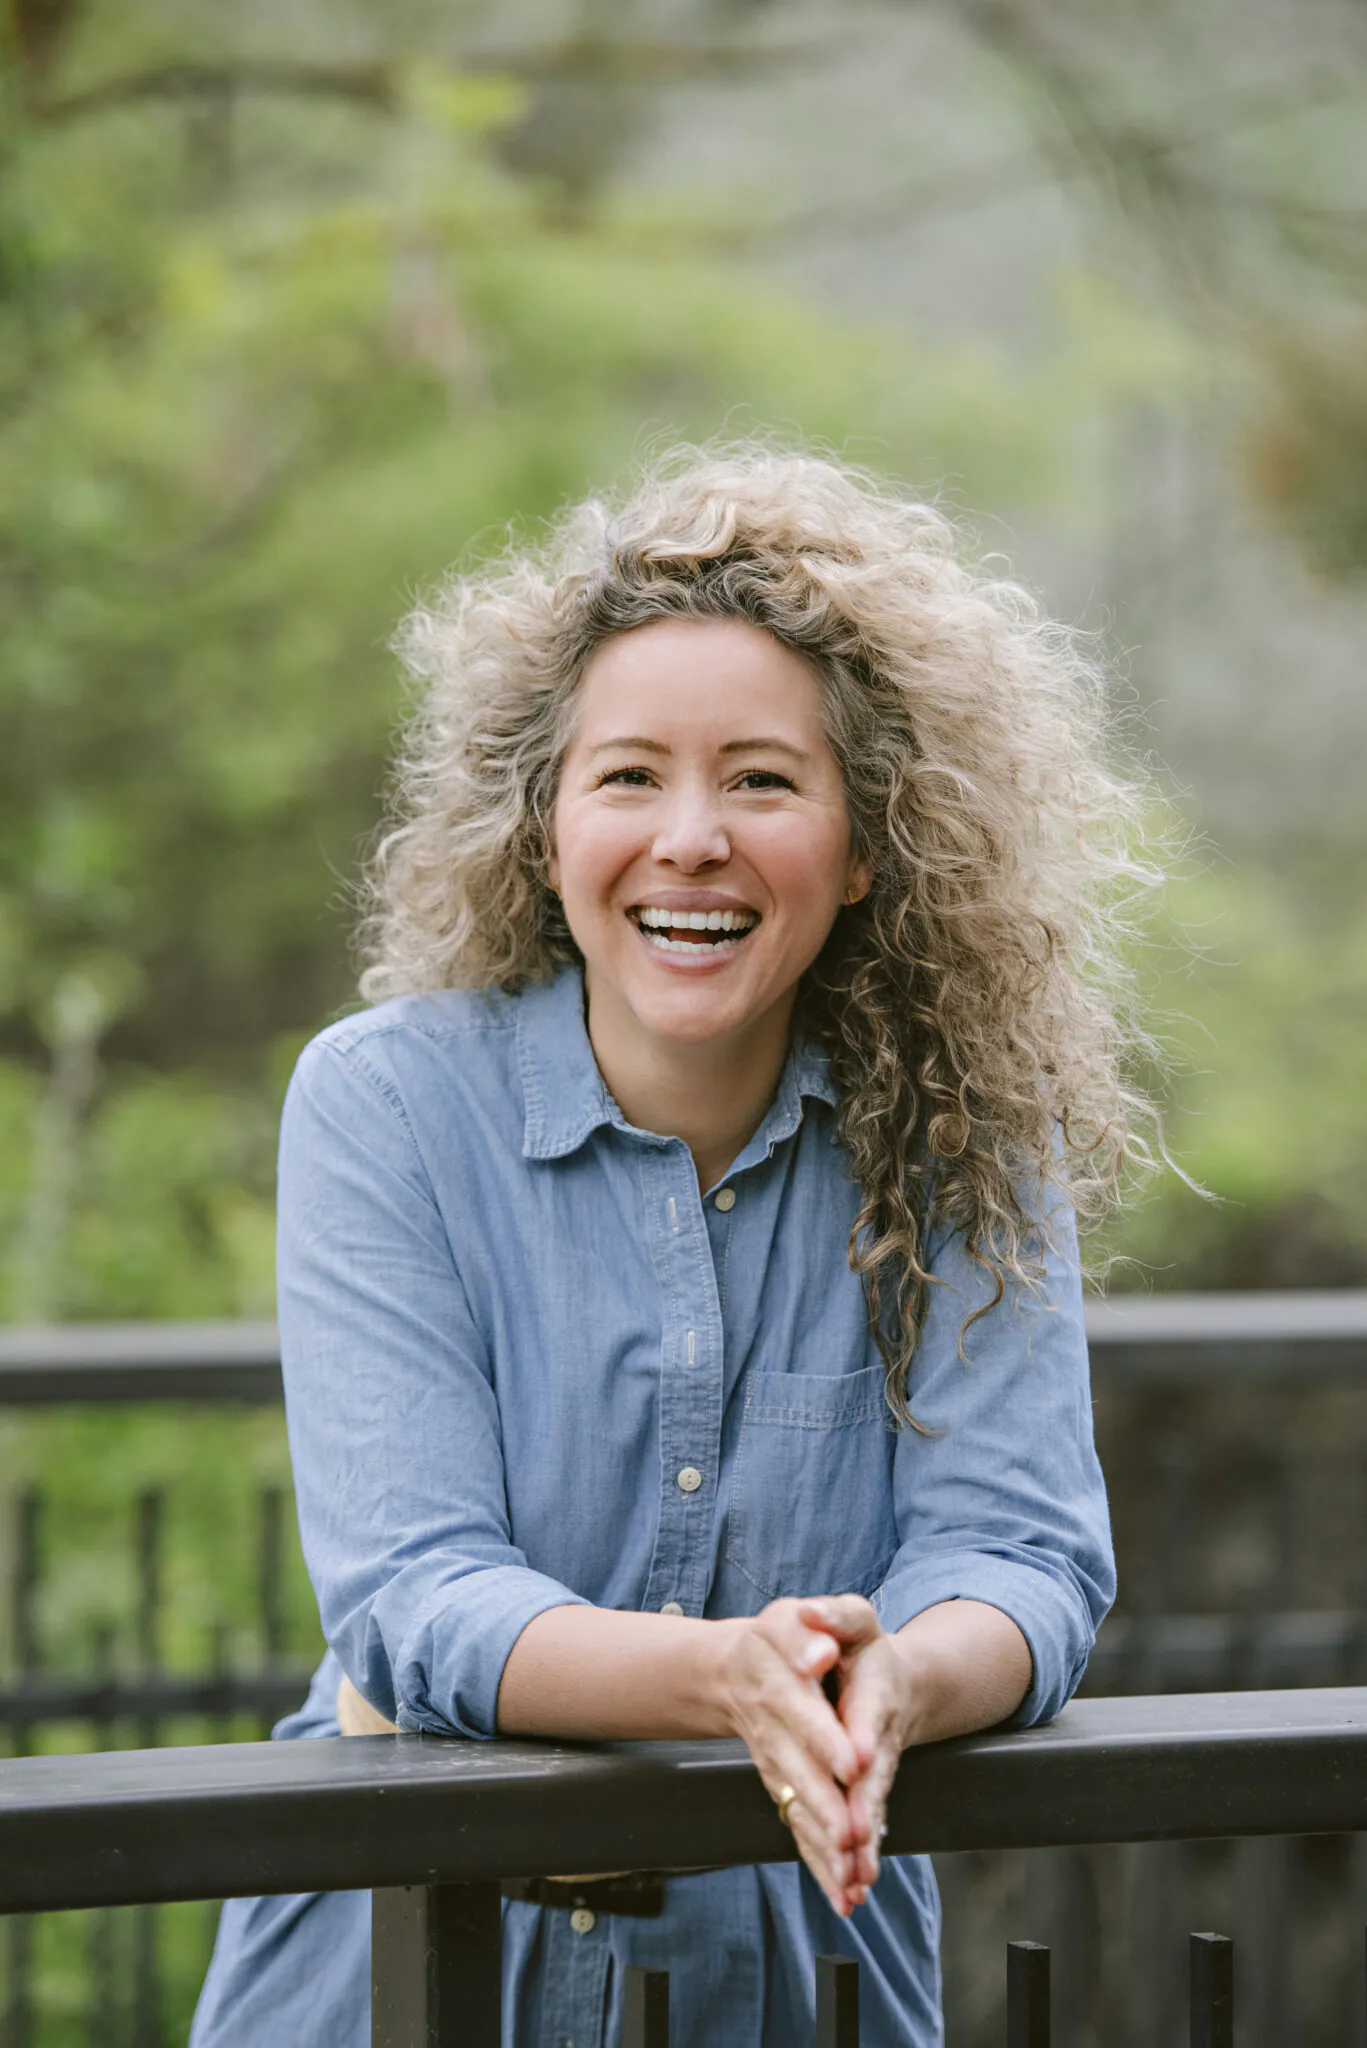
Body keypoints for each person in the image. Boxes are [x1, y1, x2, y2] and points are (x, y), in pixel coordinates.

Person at [190, 439, 1154, 2047]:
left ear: (866, 848)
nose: (689, 837)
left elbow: (1022, 1554)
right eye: (627, 775)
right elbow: (416, 1600)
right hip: (392, 1956)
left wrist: (891, 1681)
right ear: (544, 826)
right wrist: (728, 1675)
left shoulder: (964, 1141)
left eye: (762, 780)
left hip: (784, 1975)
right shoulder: (384, 1106)